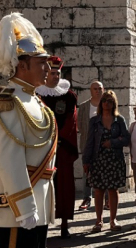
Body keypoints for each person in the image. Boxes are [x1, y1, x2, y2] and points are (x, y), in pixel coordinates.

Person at [0, 12, 57, 248]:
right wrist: (25, 207)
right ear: (23, 65)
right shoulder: (9, 102)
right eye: (41, 63)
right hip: (16, 209)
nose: (47, 68)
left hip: (38, 202)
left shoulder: (35, 101)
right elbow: (8, 158)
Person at [37, 56, 81, 237]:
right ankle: (42, 222)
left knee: (64, 186)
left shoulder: (69, 96)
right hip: (42, 146)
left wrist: (57, 137)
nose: (55, 76)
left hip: (62, 147)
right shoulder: (37, 94)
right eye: (52, 73)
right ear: (46, 74)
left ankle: (64, 223)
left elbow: (71, 120)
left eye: (58, 73)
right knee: (42, 184)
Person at [83, 89, 129, 231]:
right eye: (104, 100)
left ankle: (113, 220)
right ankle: (98, 221)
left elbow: (127, 139)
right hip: (98, 159)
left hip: (115, 160)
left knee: (113, 190)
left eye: (109, 101)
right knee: (98, 190)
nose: (106, 103)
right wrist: (86, 160)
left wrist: (113, 142)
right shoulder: (94, 121)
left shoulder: (119, 120)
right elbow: (89, 141)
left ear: (114, 103)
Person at [76, 80, 104, 210]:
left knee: (106, 170)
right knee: (87, 171)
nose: (98, 91)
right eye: (95, 89)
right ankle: (87, 197)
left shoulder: (107, 105)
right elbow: (80, 125)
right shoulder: (83, 106)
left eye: (100, 88)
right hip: (88, 143)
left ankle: (107, 200)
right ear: (90, 90)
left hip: (104, 144)